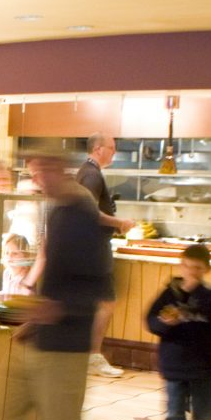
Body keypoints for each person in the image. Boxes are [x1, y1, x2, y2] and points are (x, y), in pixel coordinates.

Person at [7, 143, 114, 420]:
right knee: (16, 415)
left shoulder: (82, 213)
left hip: (66, 347)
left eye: (42, 172)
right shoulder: (60, 211)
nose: (37, 181)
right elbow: (55, 272)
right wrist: (34, 319)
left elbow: (99, 286)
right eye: (33, 174)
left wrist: (58, 309)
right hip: (46, 339)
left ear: (61, 169)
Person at [146, 244, 211, 420]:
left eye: (197, 268)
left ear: (207, 269)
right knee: (174, 412)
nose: (191, 272)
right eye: (187, 266)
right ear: (180, 266)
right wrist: (163, 324)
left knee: (205, 414)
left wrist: (197, 290)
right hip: (174, 364)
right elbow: (151, 321)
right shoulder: (169, 294)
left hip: (202, 365)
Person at [76, 134, 133, 377]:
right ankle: (92, 356)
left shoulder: (89, 172)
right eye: (111, 148)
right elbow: (87, 212)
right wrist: (119, 222)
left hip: (91, 247)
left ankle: (88, 355)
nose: (114, 153)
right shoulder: (91, 174)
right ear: (98, 149)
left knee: (96, 303)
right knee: (106, 302)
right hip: (94, 249)